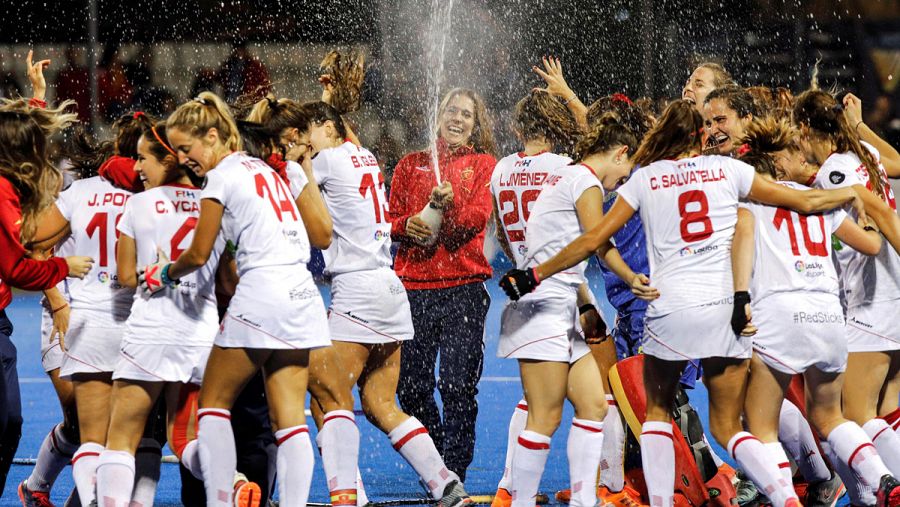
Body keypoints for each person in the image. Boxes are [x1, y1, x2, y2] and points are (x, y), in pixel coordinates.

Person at [499, 100, 874, 507]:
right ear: (698, 137)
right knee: (731, 425)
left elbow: (592, 240)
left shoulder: (646, 179)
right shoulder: (730, 170)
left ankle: (658, 501)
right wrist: (850, 193)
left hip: (671, 310)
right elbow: (799, 201)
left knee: (657, 413)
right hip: (723, 309)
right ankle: (784, 496)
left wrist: (534, 273)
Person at [140, 91, 331, 507]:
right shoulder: (263, 167)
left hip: (262, 292)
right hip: (303, 292)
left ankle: (222, 499)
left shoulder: (221, 177)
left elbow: (197, 254)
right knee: (290, 420)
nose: (183, 158)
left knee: (211, 405)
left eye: (186, 149)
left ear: (212, 136)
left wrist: (162, 273)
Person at [93, 114, 262, 507]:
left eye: (142, 160)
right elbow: (227, 283)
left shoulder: (138, 204)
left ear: (167, 161)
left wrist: (154, 272)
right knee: (184, 437)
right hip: (200, 335)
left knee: (121, 437)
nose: (136, 168)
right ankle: (234, 483)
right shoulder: (213, 205)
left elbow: (126, 277)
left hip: (151, 332)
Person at [735, 116, 900, 507]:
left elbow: (740, 249)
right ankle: (883, 481)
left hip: (780, 315)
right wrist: (870, 224)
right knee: (831, 418)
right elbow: (872, 245)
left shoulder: (750, 203)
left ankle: (785, 499)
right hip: (828, 317)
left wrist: (740, 297)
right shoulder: (819, 197)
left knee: (762, 428)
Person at [498, 113, 642, 507]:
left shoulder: (570, 176)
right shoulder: (585, 182)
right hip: (542, 307)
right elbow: (597, 241)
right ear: (620, 153)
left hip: (557, 305)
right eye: (625, 171)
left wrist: (583, 302)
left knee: (594, 405)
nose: (621, 182)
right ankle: (521, 501)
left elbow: (564, 245)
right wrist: (631, 277)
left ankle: (584, 501)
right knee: (544, 417)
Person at [27, 112, 146, 507]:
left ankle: (88, 502)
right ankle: (36, 487)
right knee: (83, 424)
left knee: (104, 430)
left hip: (111, 321)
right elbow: (36, 248)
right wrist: (58, 302)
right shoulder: (82, 192)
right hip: (66, 311)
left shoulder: (147, 195)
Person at [388, 87, 497, 481]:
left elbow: (474, 221)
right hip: (414, 289)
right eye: (451, 111)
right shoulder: (408, 165)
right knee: (412, 388)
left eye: (467, 114)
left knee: (456, 386)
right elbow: (390, 220)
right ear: (438, 116)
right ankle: (436, 463)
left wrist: (448, 207)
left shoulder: (484, 164)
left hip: (464, 289)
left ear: (475, 125)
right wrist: (405, 227)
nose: (457, 119)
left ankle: (455, 471)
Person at [792, 90, 900, 484]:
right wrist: (859, 126)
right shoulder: (865, 155)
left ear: (805, 129)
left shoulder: (836, 170)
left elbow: (881, 215)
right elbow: (899, 164)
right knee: (886, 412)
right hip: (891, 297)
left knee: (854, 418)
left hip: (867, 301)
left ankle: (889, 489)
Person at [0, 92, 90, 496]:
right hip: (34, 309)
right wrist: (60, 282)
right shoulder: (8, 191)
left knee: (12, 421)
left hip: (4, 323)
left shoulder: (14, 182)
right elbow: (21, 262)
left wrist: (36, 98)